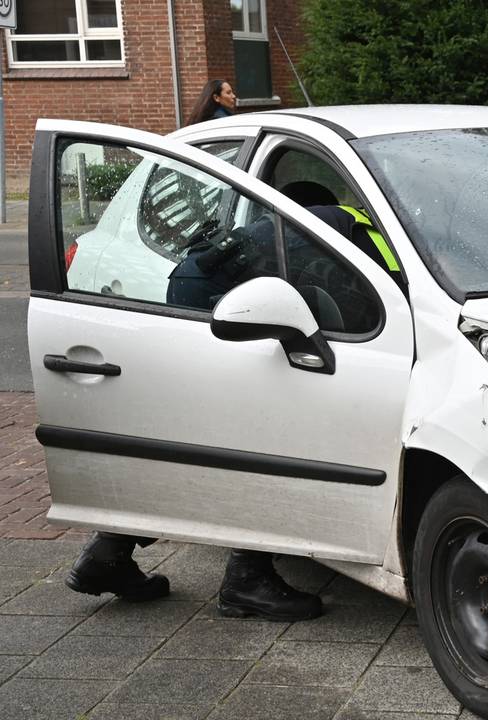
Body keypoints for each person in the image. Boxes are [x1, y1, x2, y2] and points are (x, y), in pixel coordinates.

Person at [64, 192, 395, 621]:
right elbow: (387, 308)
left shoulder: (319, 223)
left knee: (195, 442)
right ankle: (247, 579)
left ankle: (107, 555)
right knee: (272, 439)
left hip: (194, 294)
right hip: (221, 306)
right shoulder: (366, 236)